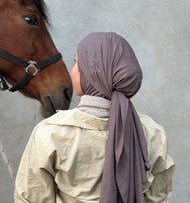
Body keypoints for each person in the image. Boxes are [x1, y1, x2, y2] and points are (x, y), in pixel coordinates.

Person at [14, 32, 175, 203]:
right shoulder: (153, 132)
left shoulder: (51, 132)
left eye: (77, 62)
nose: (73, 70)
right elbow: (158, 196)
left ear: (94, 73)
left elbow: (31, 198)